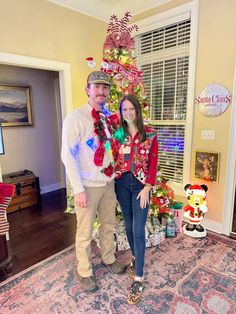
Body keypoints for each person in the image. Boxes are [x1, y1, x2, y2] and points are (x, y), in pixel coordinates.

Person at [61, 71, 126, 294]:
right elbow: (68, 155)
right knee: (85, 232)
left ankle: (108, 258)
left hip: (108, 183)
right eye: (96, 87)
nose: (101, 91)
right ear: (87, 89)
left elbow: (111, 148)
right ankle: (85, 271)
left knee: (109, 225)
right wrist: (78, 190)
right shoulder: (76, 117)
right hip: (87, 186)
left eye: (105, 88)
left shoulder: (109, 118)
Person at [114, 94, 158, 304]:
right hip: (121, 185)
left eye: (132, 109)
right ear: (121, 113)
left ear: (137, 110)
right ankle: (134, 257)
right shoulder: (118, 134)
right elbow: (110, 157)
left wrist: (148, 187)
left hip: (141, 187)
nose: (128, 113)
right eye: (125, 110)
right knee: (129, 227)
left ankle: (139, 277)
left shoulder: (149, 133)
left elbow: (153, 161)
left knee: (138, 230)